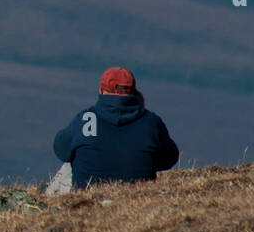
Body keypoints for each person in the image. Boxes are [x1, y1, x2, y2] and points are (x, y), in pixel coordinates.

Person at [49, 67, 179, 191]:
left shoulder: (85, 119)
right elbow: (169, 158)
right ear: (134, 92)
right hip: (137, 198)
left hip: (87, 200)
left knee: (70, 160)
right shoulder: (151, 122)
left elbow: (61, 149)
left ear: (101, 91)